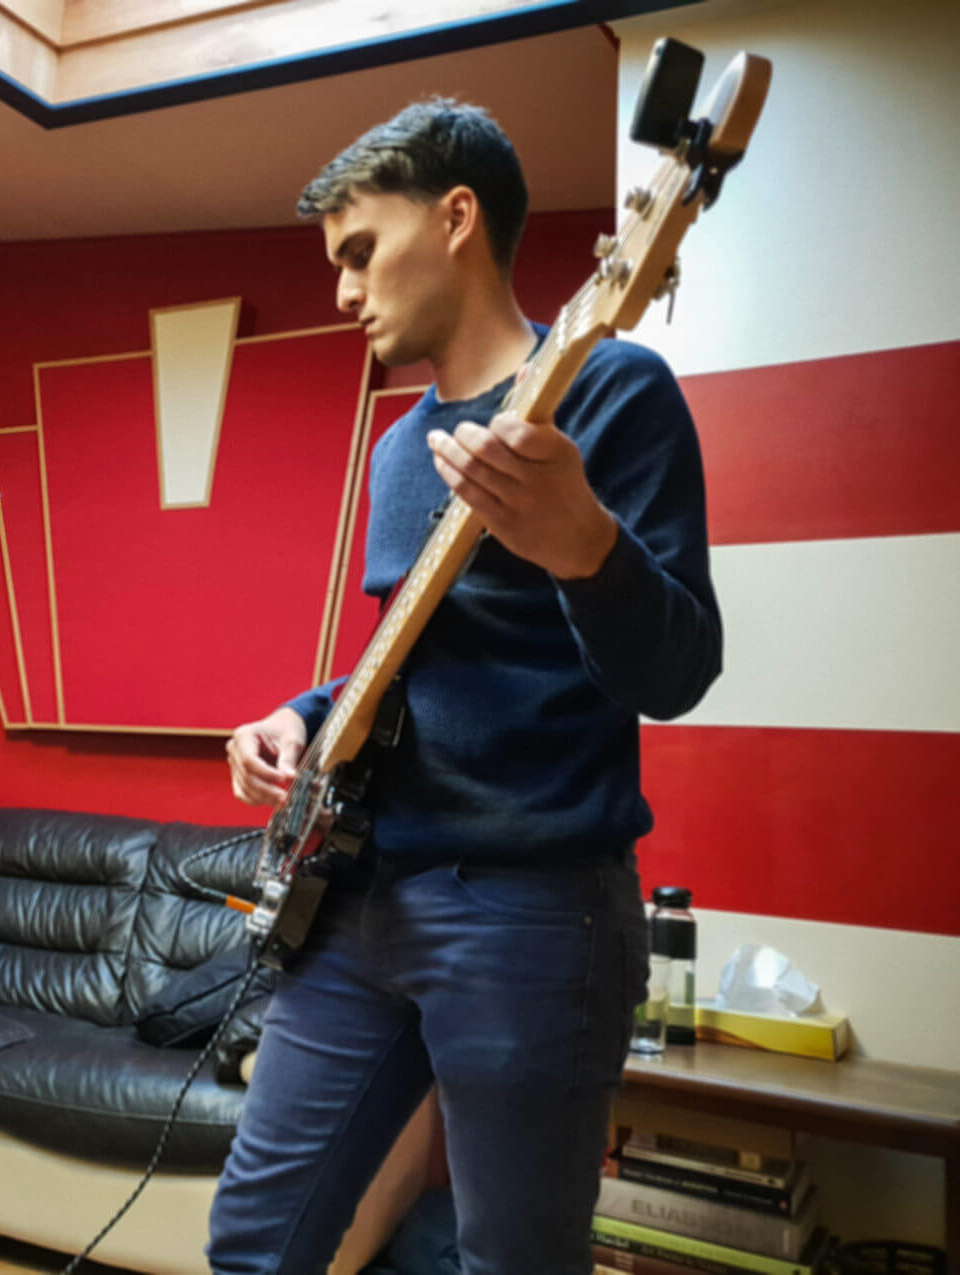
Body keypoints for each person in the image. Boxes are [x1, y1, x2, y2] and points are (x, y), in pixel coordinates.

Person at [209, 98, 722, 1275]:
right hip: (354, 901)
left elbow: (679, 667)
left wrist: (582, 543)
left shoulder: (613, 393)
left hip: (530, 909)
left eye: (357, 250)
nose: (341, 290)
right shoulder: (399, 450)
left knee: (512, 1262)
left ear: (454, 217)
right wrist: (295, 714)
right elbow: (417, 652)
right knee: (252, 1241)